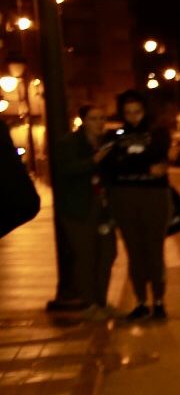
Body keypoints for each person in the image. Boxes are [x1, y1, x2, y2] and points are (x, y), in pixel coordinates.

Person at [100, 89, 171, 323]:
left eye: (137, 111)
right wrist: (143, 165)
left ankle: (158, 302)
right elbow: (110, 166)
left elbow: (158, 152)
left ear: (145, 110)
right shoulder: (114, 135)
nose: (133, 116)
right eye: (128, 112)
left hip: (154, 197)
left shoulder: (158, 132)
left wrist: (127, 160)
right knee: (134, 251)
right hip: (124, 197)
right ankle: (140, 301)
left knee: (154, 250)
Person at [52, 105, 116, 321]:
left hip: (103, 207)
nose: (99, 123)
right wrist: (93, 161)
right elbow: (65, 170)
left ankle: (101, 302)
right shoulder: (69, 143)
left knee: (107, 253)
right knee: (86, 256)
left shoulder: (106, 143)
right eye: (93, 118)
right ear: (84, 121)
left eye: (102, 118)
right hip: (79, 208)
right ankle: (89, 304)